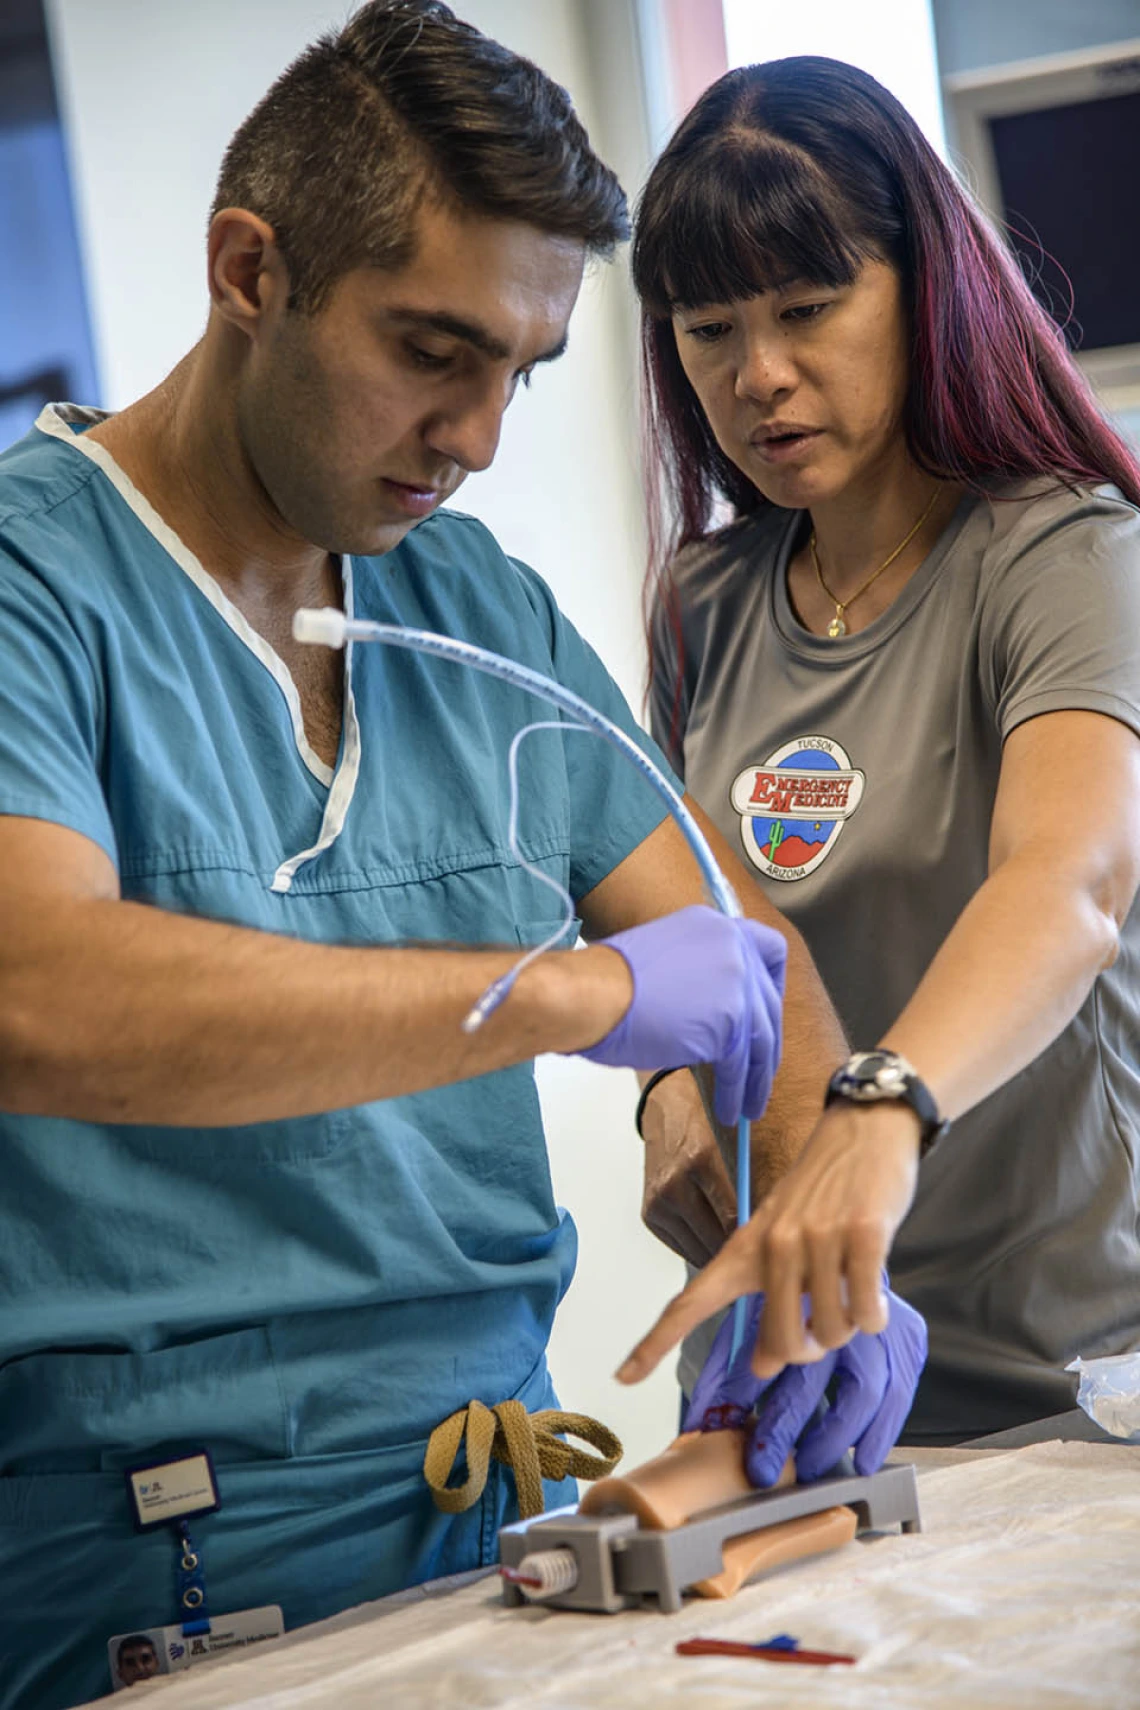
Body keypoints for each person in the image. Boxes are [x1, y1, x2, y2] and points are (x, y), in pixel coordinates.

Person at [0, 10, 862, 1709]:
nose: (474, 433)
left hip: (503, 1512)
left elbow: (750, 970)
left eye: (522, 373)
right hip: (164, 1553)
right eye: (431, 349)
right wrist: (570, 996)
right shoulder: (41, 596)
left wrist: (812, 1252)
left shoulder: (474, 607)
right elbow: (40, 992)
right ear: (251, 269)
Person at [616, 55, 1140, 1450]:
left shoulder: (1066, 552)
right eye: (708, 326)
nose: (759, 373)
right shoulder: (700, 607)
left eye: (806, 307)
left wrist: (877, 1107)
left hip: (1065, 1386)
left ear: (925, 284)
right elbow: (687, 935)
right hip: (796, 1383)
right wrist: (668, 1094)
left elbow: (1070, 883)